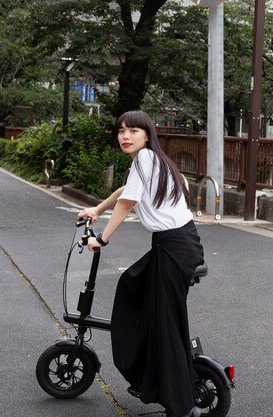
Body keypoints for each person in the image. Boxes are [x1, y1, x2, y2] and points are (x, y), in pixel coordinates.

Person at [77, 110, 203, 417]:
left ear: (147, 135)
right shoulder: (147, 161)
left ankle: (182, 406)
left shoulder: (146, 159)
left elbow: (128, 203)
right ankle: (156, 379)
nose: (125, 136)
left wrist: (102, 239)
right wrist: (97, 208)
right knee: (133, 288)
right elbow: (125, 192)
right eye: (121, 131)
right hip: (173, 245)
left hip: (174, 248)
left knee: (165, 324)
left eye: (133, 130)